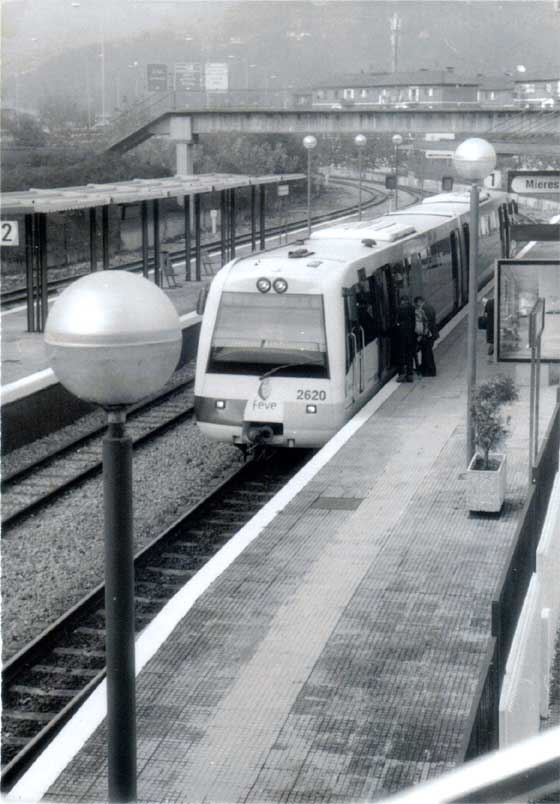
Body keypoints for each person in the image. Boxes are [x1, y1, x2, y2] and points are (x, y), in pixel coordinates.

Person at [414, 295, 438, 377]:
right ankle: (425, 369)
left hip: (428, 335)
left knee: (427, 353)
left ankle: (430, 372)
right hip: (431, 334)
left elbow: (426, 324)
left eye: (417, 304)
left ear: (419, 302)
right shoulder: (429, 307)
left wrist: (423, 335)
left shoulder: (424, 309)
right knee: (426, 353)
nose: (417, 306)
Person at [395, 294, 416, 382]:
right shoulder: (412, 308)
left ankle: (402, 374)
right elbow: (414, 322)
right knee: (409, 355)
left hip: (401, 337)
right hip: (410, 336)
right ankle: (410, 375)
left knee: (401, 355)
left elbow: (397, 322)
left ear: (401, 301)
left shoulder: (399, 309)